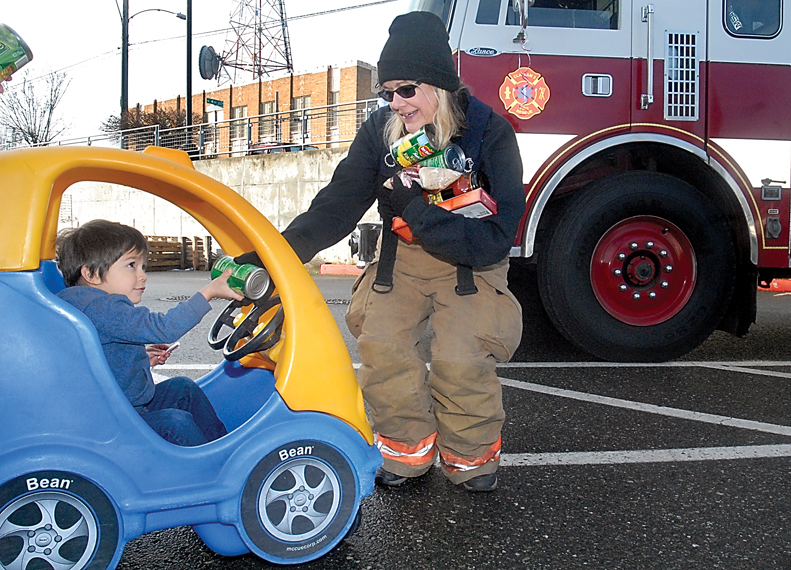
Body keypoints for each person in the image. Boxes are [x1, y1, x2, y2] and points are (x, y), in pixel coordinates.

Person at [239, 11, 525, 492]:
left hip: (470, 262)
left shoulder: (490, 133)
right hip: (402, 262)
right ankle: (408, 453)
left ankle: (471, 460)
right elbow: (336, 206)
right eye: (386, 92)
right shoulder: (380, 131)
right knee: (383, 348)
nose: (396, 103)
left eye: (406, 90)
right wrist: (273, 254)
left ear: (438, 84)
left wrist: (417, 210)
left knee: (461, 360)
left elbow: (497, 236)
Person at [55, 219, 244, 446]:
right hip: (114, 421)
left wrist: (141, 359)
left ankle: (221, 447)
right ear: (91, 274)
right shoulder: (102, 307)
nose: (143, 275)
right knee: (175, 422)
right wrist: (208, 293)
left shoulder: (83, 302)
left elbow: (104, 357)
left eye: (143, 266)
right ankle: (213, 467)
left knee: (183, 388)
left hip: (115, 407)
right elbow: (164, 328)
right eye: (131, 266)